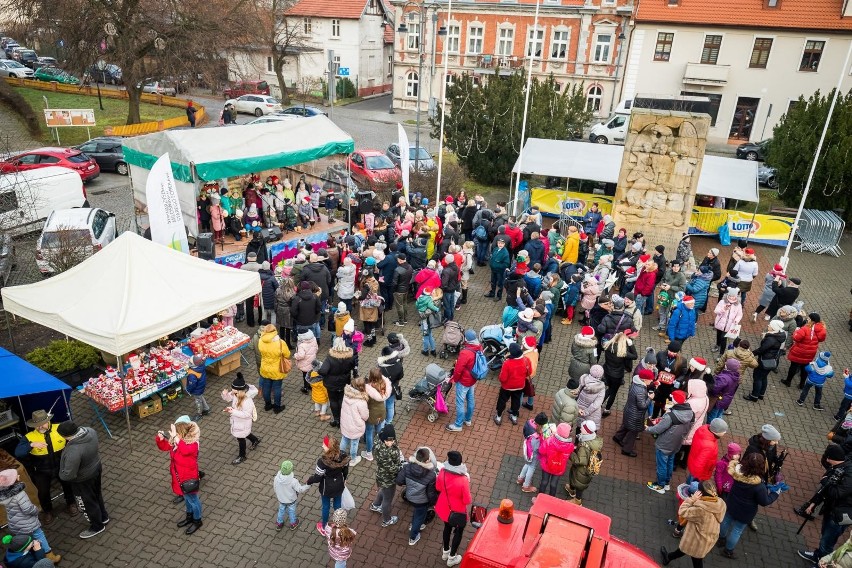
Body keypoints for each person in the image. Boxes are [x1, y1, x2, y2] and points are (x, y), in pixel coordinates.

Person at [14, 409, 77, 525]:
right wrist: (31, 445)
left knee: (68, 485)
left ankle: (71, 503)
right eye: (36, 425)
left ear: (48, 421)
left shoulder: (60, 428)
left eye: (41, 424)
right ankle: (47, 511)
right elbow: (18, 452)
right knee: (43, 492)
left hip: (61, 466)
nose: (39, 427)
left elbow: (75, 436)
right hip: (42, 470)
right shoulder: (29, 437)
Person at [718, 453, 781, 559]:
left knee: (726, 521)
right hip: (746, 512)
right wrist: (775, 493)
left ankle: (721, 539)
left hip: (732, 503)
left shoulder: (737, 474)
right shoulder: (759, 486)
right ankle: (728, 551)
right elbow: (764, 501)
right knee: (737, 530)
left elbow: (733, 466)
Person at [798, 443, 852, 564]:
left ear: (829, 458)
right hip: (832, 510)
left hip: (840, 515)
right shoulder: (840, 467)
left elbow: (836, 493)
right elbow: (826, 490)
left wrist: (826, 481)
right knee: (825, 536)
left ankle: (822, 562)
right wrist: (814, 503)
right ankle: (819, 556)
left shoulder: (848, 474)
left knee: (827, 541)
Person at [57, 420, 109, 539]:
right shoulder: (90, 431)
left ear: (66, 436)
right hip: (96, 468)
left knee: (87, 502)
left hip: (82, 479)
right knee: (96, 494)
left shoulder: (73, 451)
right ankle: (103, 517)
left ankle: (97, 526)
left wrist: (61, 474)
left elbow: (68, 475)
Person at [660, 479, 726, 568]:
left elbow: (682, 511)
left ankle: (668, 558)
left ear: (701, 493)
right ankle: (668, 557)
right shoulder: (721, 503)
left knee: (695, 558)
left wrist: (692, 499)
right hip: (708, 537)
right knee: (685, 551)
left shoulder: (701, 510)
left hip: (698, 540)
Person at [0, 469, 61, 563]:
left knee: (26, 540)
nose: (18, 476)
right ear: (13, 481)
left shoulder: (5, 496)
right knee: (39, 535)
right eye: (16, 476)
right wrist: (36, 510)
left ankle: (32, 555)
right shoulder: (20, 494)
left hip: (15, 523)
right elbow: (27, 508)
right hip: (27, 522)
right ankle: (49, 556)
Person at [155, 416, 203, 535]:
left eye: (176, 434)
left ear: (181, 433)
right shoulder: (178, 442)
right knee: (187, 499)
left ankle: (197, 520)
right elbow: (165, 447)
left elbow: (185, 450)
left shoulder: (193, 444)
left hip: (188, 478)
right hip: (179, 477)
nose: (173, 436)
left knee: (193, 500)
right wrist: (160, 439)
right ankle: (189, 516)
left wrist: (176, 438)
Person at [647, 390, 695, 494]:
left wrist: (647, 428)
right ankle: (667, 483)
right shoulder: (691, 414)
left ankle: (660, 486)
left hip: (664, 443)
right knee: (669, 462)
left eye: (672, 397)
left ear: (675, 400)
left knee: (662, 465)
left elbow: (657, 429)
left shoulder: (671, 416)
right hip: (677, 443)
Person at [307, 436, 350, 536]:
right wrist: (345, 479)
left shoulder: (322, 462)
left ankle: (324, 527)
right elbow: (345, 469)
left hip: (327, 487)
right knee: (337, 504)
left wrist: (309, 480)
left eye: (324, 444)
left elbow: (317, 478)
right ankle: (339, 525)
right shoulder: (343, 455)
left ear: (329, 448)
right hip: (339, 484)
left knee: (326, 506)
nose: (322, 445)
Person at [396, 446, 438, 546]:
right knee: (420, 516)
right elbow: (430, 493)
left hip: (409, 496)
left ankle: (414, 525)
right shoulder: (431, 475)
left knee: (417, 512)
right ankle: (413, 537)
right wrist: (434, 502)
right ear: (428, 460)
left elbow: (399, 481)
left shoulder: (407, 467)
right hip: (422, 501)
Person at [436, 450, 472, 566]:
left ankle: (445, 552)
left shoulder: (442, 472)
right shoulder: (463, 480)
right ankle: (452, 558)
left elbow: (438, 487)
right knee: (459, 531)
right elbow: (467, 500)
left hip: (444, 507)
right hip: (458, 510)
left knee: (446, 528)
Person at [612, 368, 654, 457]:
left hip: (629, 410)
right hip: (636, 415)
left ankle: (617, 437)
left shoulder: (635, 383)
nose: (651, 381)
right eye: (650, 380)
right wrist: (650, 398)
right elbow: (642, 406)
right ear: (644, 380)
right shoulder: (641, 390)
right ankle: (626, 450)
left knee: (626, 425)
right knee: (633, 433)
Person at [743, 320, 787, 402]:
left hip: (764, 360)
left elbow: (762, 349)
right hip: (771, 360)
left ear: (774, 327)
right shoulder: (780, 335)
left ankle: (754, 396)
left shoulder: (771, 339)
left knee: (757, 378)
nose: (768, 326)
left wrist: (751, 353)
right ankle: (761, 394)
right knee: (764, 377)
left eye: (770, 325)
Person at [221, 373, 261, 465]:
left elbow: (247, 414)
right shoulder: (236, 394)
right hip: (238, 422)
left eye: (234, 391)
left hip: (243, 422)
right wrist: (225, 395)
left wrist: (232, 411)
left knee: (240, 438)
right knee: (244, 433)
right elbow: (228, 398)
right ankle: (255, 440)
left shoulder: (247, 401)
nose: (232, 392)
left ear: (240, 391)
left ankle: (242, 455)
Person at [446, 330, 481, 432]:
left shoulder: (465, 353)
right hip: (472, 379)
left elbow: (458, 369)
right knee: (470, 399)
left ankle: (458, 425)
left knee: (460, 402)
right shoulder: (479, 347)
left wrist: (455, 379)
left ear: (467, 339)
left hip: (464, 381)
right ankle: (468, 419)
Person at [319, 337, 357, 428]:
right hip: (344, 382)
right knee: (342, 400)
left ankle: (336, 419)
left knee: (333, 401)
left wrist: (319, 371)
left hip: (331, 384)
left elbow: (323, 371)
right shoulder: (349, 356)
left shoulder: (330, 358)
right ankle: (343, 420)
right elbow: (354, 366)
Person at [370, 424, 403, 527]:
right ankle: (386, 520)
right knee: (388, 500)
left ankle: (375, 505)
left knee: (384, 490)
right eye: (388, 441)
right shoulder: (383, 452)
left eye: (392, 440)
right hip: (387, 477)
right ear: (383, 439)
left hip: (382, 476)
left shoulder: (382, 436)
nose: (390, 443)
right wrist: (401, 468)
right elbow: (391, 468)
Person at [784, 312, 828, 388]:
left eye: (808, 318)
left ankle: (788, 381)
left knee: (793, 366)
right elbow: (821, 339)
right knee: (805, 368)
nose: (807, 319)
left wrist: (795, 332)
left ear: (811, 320)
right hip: (810, 352)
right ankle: (802, 384)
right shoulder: (822, 329)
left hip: (800, 351)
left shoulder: (805, 329)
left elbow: (796, 338)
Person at [601, 331, 639, 416]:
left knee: (609, 389)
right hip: (617, 375)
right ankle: (606, 410)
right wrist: (631, 344)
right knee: (613, 392)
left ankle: (599, 404)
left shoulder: (607, 346)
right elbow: (635, 356)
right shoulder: (622, 352)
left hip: (607, 372)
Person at [566, 420, 603, 505]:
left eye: (582, 427)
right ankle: (571, 489)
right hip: (586, 468)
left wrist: (570, 453)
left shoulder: (584, 446)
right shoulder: (593, 439)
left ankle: (577, 500)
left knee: (580, 484)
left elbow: (579, 460)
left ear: (586, 430)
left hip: (582, 470)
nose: (580, 428)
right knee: (574, 478)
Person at [494, 343, 531, 426]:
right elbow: (530, 372)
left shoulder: (507, 363)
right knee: (516, 401)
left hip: (507, 387)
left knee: (502, 401)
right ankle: (514, 417)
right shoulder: (526, 360)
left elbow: (502, 378)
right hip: (520, 386)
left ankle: (498, 417)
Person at [257, 323, 291, 414]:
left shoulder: (260, 340)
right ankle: (277, 407)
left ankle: (267, 405)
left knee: (266, 387)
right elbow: (287, 354)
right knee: (277, 388)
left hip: (265, 368)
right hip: (277, 369)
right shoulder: (280, 343)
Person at [363, 367, 392, 462]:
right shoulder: (384, 384)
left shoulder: (368, 388)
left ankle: (369, 453)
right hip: (382, 411)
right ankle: (380, 449)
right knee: (380, 431)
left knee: (369, 432)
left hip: (371, 414)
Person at [538, 423, 575, 496]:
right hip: (559, 467)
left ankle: (540, 498)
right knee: (553, 484)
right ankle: (551, 500)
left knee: (544, 482)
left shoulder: (549, 440)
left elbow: (541, 451)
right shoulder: (570, 446)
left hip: (547, 465)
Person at [339, 377, 369, 467]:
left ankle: (340, 456)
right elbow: (365, 416)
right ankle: (353, 459)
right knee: (354, 443)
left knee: (344, 439)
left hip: (345, 423)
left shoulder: (346, 394)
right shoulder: (361, 401)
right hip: (356, 426)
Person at [687, 418, 728, 483]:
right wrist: (697, 478)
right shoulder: (709, 446)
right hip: (700, 472)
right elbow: (699, 463)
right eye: (723, 431)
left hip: (693, 461)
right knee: (692, 485)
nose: (725, 432)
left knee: (691, 477)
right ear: (716, 432)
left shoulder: (702, 429)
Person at [273, 459, 309, 531]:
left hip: (281, 499)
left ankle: (279, 523)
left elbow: (275, 487)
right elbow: (300, 490)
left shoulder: (276, 478)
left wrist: (278, 495)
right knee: (291, 511)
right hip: (291, 500)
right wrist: (308, 485)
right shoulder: (293, 481)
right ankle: (293, 523)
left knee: (281, 510)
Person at [713, 290, 743, 354]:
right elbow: (716, 311)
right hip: (720, 323)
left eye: (733, 296)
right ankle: (717, 345)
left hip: (729, 325)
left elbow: (739, 315)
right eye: (730, 296)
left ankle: (721, 353)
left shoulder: (738, 305)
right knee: (718, 335)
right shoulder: (722, 302)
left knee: (723, 338)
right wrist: (724, 309)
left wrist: (736, 320)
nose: (732, 298)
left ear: (736, 297)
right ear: (727, 295)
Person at [576, 366, 606, 430]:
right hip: (592, 414)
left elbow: (577, 391)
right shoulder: (601, 387)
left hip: (580, 408)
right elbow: (597, 404)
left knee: (579, 429)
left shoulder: (583, 379)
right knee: (589, 431)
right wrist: (586, 412)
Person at [183, 354, 210, 422]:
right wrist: (205, 357)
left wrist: (189, 390)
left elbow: (192, 384)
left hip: (196, 389)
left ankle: (199, 414)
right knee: (200, 397)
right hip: (201, 385)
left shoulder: (192, 374)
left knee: (198, 401)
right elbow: (203, 359)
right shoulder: (201, 365)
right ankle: (206, 409)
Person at [416, 287, 441, 357]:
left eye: (433, 293)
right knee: (430, 335)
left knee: (425, 337)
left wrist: (420, 312)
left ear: (436, 294)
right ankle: (433, 350)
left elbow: (424, 315)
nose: (431, 293)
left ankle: (425, 350)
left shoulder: (432, 302)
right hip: (430, 322)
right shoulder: (435, 301)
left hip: (426, 322)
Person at [293, 330, 319, 396]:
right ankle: (310, 385)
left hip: (305, 364)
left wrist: (295, 355)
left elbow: (301, 355)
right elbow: (316, 348)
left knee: (305, 375)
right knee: (310, 374)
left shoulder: (302, 345)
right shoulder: (314, 339)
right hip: (312, 361)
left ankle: (305, 388)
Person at [392, 253, 413, 326]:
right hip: (406, 289)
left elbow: (394, 282)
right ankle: (405, 319)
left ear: (400, 260)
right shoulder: (410, 267)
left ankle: (401, 321)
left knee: (399, 306)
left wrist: (393, 290)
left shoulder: (397, 270)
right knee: (404, 303)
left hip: (399, 291)